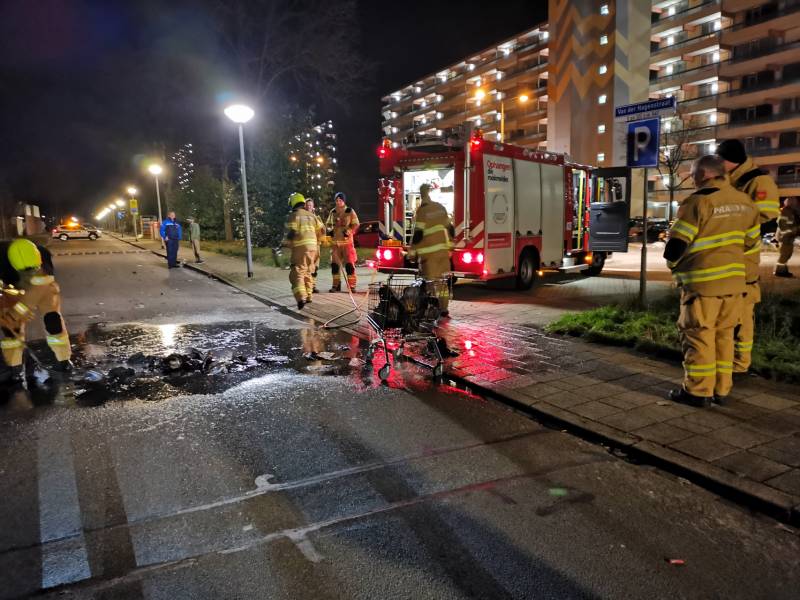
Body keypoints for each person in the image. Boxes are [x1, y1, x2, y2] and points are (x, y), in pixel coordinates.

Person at [663, 155, 760, 407]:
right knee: (724, 337)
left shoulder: (698, 202)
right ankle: (721, 389)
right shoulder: (746, 203)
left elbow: (675, 247)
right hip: (735, 285)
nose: (693, 180)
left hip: (702, 286)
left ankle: (697, 391)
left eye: (694, 175)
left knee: (699, 337)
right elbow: (751, 243)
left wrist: (674, 267)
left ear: (704, 175)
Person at [716, 139, 780, 374]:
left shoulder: (758, 181)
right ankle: (725, 359)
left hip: (744, 258)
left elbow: (766, 220)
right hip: (726, 256)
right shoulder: (727, 181)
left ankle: (740, 363)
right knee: (727, 311)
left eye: (720, 160)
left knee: (742, 312)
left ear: (730, 160)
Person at [0, 239, 72, 383]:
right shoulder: (1, 260)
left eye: (33, 270)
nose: (30, 276)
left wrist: (18, 312)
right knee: (10, 329)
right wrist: (6, 317)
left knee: (53, 320)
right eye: (26, 273)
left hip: (43, 287)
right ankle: (15, 367)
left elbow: (38, 289)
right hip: (10, 289)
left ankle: (63, 360)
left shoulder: (42, 254)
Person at [409, 183, 454, 316]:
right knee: (442, 283)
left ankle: (432, 309)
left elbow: (418, 234)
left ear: (422, 195)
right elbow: (450, 228)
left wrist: (412, 253)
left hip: (429, 255)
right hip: (443, 254)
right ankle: (444, 309)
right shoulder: (440, 208)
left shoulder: (423, 211)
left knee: (430, 283)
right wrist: (450, 246)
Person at [284, 192, 320, 309]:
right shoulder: (311, 215)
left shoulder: (294, 215)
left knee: (296, 274)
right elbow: (322, 229)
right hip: (313, 248)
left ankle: (301, 298)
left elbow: (292, 232)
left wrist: (285, 244)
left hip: (301, 248)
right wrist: (316, 241)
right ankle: (309, 296)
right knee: (308, 271)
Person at [325, 192, 359, 292]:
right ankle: (336, 285)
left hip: (347, 243)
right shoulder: (333, 212)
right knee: (335, 265)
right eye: (337, 200)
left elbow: (356, 224)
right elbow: (328, 224)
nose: (338, 202)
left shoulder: (350, 211)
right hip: (335, 244)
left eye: (340, 200)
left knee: (349, 265)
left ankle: (352, 286)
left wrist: (350, 231)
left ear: (344, 201)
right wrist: (330, 231)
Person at [775, 197, 799, 277]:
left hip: (788, 237)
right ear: (791, 203)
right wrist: (795, 230)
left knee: (787, 254)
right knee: (784, 255)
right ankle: (780, 272)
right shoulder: (786, 211)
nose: (797, 203)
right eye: (795, 202)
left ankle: (783, 270)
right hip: (785, 237)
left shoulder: (790, 211)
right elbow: (783, 225)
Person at [305, 198, 325, 293]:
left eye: (310, 205)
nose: (309, 207)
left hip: (316, 246)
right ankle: (307, 286)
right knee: (308, 266)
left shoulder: (317, 218)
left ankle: (313, 286)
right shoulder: (303, 218)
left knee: (315, 267)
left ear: (313, 207)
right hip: (307, 246)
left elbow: (322, 230)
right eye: (307, 205)